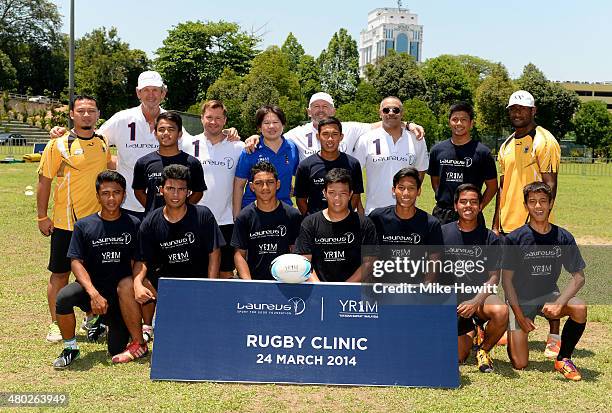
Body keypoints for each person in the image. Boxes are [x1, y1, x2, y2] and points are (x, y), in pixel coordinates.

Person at [52, 171, 146, 368]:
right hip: (92, 289)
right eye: (105, 193)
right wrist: (93, 293)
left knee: (115, 348)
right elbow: (75, 262)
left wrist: (136, 283)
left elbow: (139, 260)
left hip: (119, 295)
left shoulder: (134, 224)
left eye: (116, 192)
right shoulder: (84, 225)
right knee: (63, 298)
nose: (111, 198)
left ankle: (103, 322)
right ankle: (70, 348)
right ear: (97, 196)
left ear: (124, 195)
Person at [37, 95, 112, 342]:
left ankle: (91, 319)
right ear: (72, 114)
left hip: (96, 224)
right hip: (65, 223)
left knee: (94, 274)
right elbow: (44, 181)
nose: (86, 115)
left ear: (98, 113)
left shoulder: (103, 142)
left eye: (91, 110)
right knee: (60, 274)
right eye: (81, 111)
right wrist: (41, 216)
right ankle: (56, 323)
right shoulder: (58, 144)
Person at [493, 90, 562, 353]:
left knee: (544, 280)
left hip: (535, 228)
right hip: (509, 227)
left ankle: (554, 339)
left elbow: (550, 185)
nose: (517, 112)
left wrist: (537, 227)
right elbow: (503, 185)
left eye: (522, 108)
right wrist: (497, 223)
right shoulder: (507, 144)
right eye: (513, 109)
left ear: (533, 111)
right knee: (514, 282)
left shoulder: (544, 141)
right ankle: (520, 325)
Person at [502, 182, 587, 381]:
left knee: (579, 307)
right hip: (521, 302)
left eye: (542, 201)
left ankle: (563, 358)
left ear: (551, 204)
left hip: (549, 297)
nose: (538, 206)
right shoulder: (515, 238)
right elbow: (506, 282)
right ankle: (511, 327)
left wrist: (559, 303)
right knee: (520, 363)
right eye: (532, 202)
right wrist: (520, 316)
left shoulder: (563, 237)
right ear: (526, 206)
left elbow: (579, 277)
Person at [133, 165, 224, 336]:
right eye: (170, 188)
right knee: (142, 280)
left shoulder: (203, 215)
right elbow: (142, 260)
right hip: (166, 286)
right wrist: (137, 284)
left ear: (189, 191)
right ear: (161, 190)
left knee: (198, 333)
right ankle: (154, 320)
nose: (176, 195)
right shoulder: (150, 222)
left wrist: (210, 286)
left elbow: (214, 252)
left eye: (181, 189)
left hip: (197, 283)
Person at [245, 92, 426, 162]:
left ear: (334, 110)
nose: (321, 111)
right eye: (316, 106)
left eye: (325, 107)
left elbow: (383, 122)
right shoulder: (296, 134)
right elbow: (273, 135)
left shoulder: (350, 128)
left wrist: (407, 124)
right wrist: (255, 137)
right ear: (308, 111)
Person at [441, 184, 508, 373]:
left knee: (501, 311)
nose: (468, 206)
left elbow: (494, 278)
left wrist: (475, 301)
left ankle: (483, 349)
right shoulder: (442, 233)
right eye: (463, 202)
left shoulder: (490, 238)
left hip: (479, 298)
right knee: (458, 357)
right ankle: (472, 330)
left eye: (473, 202)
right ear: (455, 206)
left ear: (480, 206)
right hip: (451, 299)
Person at [184, 100, 244, 278]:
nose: (213, 122)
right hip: (194, 219)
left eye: (218, 118)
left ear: (225, 120)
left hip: (226, 220)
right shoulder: (188, 144)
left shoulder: (238, 147)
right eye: (209, 117)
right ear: (201, 118)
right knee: (199, 271)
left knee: (225, 273)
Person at [294, 168, 377, 282]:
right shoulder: (309, 223)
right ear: (324, 193)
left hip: (353, 293)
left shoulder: (365, 224)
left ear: (350, 194)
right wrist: (322, 289)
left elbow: (369, 262)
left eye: (342, 193)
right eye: (332, 193)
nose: (337, 198)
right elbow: (304, 262)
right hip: (319, 293)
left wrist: (343, 288)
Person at [353, 96, 429, 215]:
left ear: (402, 113)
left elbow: (420, 171)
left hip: (407, 213)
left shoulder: (417, 139)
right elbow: (354, 175)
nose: (391, 113)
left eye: (396, 110)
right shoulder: (366, 139)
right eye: (386, 110)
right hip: (374, 212)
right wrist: (359, 208)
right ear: (380, 113)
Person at [368, 167, 443, 284]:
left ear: (419, 191)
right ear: (394, 190)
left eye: (411, 188)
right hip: (380, 287)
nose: (406, 193)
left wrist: (423, 288)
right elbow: (368, 255)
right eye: (401, 188)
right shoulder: (377, 217)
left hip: (414, 289)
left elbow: (434, 261)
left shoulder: (431, 223)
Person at [428, 102, 498, 224]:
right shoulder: (437, 150)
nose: (459, 123)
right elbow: (435, 182)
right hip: (443, 215)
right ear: (449, 122)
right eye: (455, 119)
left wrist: (478, 206)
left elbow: (492, 187)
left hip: (471, 215)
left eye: (463, 120)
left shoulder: (483, 152)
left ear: (471, 123)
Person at [232, 161, 302, 280]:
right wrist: (249, 283)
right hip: (255, 281)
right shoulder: (244, 217)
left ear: (278, 184)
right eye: (259, 183)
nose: (265, 188)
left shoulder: (292, 215)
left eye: (270, 182)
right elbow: (239, 255)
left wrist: (292, 278)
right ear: (251, 187)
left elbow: (296, 252)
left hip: (285, 281)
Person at [132, 111, 206, 216]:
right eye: (161, 130)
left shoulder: (192, 163)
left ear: (180, 133)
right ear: (155, 133)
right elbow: (139, 191)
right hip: (154, 223)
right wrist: (153, 210)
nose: (166, 133)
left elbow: (198, 192)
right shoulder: (143, 163)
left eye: (171, 129)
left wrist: (180, 210)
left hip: (183, 223)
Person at [233, 105, 299, 218]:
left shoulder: (292, 148)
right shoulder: (250, 149)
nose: (271, 126)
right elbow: (239, 186)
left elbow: (296, 176)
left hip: (283, 210)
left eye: (276, 122)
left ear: (283, 125)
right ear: (259, 127)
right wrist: (237, 216)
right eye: (266, 123)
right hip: (253, 211)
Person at [294, 117, 364, 215]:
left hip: (344, 222)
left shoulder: (353, 164)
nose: (330, 139)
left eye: (334, 134)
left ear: (341, 137)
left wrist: (344, 217)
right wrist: (312, 221)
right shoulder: (305, 166)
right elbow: (301, 199)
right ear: (318, 137)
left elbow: (356, 195)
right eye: (325, 134)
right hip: (316, 225)